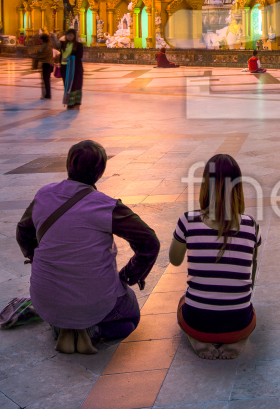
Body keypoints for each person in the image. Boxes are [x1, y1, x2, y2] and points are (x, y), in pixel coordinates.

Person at [15, 140, 159, 354]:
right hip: (96, 302)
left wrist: (38, 259)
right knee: (129, 320)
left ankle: (63, 326)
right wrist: (128, 276)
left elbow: (23, 231)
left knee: (66, 304)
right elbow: (149, 241)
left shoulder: (43, 195)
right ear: (100, 171)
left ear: (68, 165)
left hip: (45, 299)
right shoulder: (106, 206)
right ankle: (91, 331)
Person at [170, 153, 260, 360]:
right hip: (238, 323)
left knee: (184, 301)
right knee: (247, 305)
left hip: (197, 322)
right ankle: (238, 340)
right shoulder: (250, 225)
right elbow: (250, 279)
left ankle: (197, 339)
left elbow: (174, 260)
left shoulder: (187, 221)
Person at [59, 28, 84, 110]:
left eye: (71, 35)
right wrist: (52, 36)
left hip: (75, 68)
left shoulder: (78, 45)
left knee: (74, 85)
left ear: (74, 36)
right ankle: (69, 102)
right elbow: (55, 45)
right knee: (66, 85)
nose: (69, 37)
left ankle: (74, 103)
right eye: (67, 35)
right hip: (64, 67)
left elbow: (79, 56)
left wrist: (68, 58)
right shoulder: (63, 44)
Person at [36, 31, 54, 98]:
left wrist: (35, 56)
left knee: (46, 80)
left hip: (47, 64)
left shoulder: (47, 45)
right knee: (45, 79)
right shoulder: (47, 45)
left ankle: (47, 94)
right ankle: (46, 94)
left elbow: (43, 54)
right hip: (47, 63)